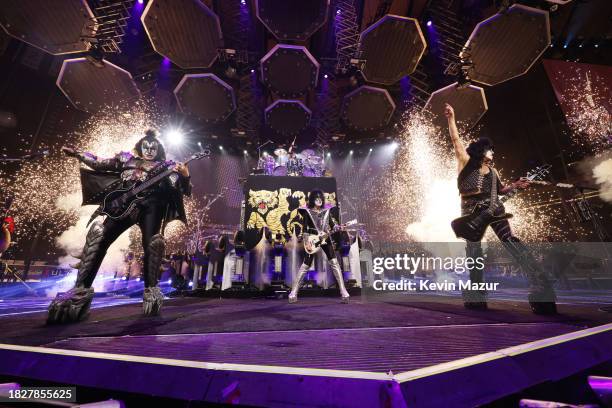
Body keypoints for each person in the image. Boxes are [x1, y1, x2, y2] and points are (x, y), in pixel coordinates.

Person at [47, 129, 192, 323]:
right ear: (140, 145)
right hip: (123, 204)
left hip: (152, 206)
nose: (149, 150)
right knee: (98, 236)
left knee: (154, 243)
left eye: (153, 147)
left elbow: (181, 189)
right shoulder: (126, 159)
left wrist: (185, 175)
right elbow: (99, 162)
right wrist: (79, 153)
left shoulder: (166, 166)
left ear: (159, 149)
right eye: (146, 146)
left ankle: (151, 291)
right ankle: (80, 290)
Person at [445, 104, 557, 314]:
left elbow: (501, 190)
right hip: (471, 213)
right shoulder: (466, 161)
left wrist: (515, 186)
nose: (493, 152)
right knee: (474, 252)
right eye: (490, 149)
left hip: (495, 209)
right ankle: (477, 292)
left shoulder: (493, 170)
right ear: (481, 151)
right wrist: (452, 118)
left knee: (510, 241)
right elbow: (455, 141)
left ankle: (539, 283)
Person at [288, 189, 350, 303]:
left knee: (334, 263)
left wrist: (338, 227)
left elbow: (332, 225)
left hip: (325, 239)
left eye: (320, 198)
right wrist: (307, 242)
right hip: (312, 240)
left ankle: (343, 291)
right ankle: (293, 292)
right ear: (312, 200)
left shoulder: (327, 210)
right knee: (305, 265)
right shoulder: (307, 211)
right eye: (316, 198)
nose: (319, 200)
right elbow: (305, 229)